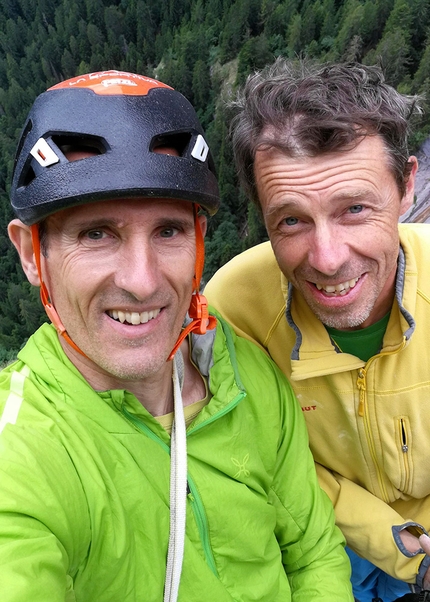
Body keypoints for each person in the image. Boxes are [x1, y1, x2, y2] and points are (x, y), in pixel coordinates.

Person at [0, 70, 353, 602]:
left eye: (168, 231)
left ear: (198, 241)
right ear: (32, 253)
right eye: (96, 233)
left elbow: (312, 552)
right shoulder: (24, 453)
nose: (142, 282)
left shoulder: (242, 370)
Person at [205, 59, 430, 602]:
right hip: (317, 539)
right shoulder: (235, 310)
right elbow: (253, 455)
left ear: (407, 187)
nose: (327, 260)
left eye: (354, 208)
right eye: (291, 220)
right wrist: (388, 541)